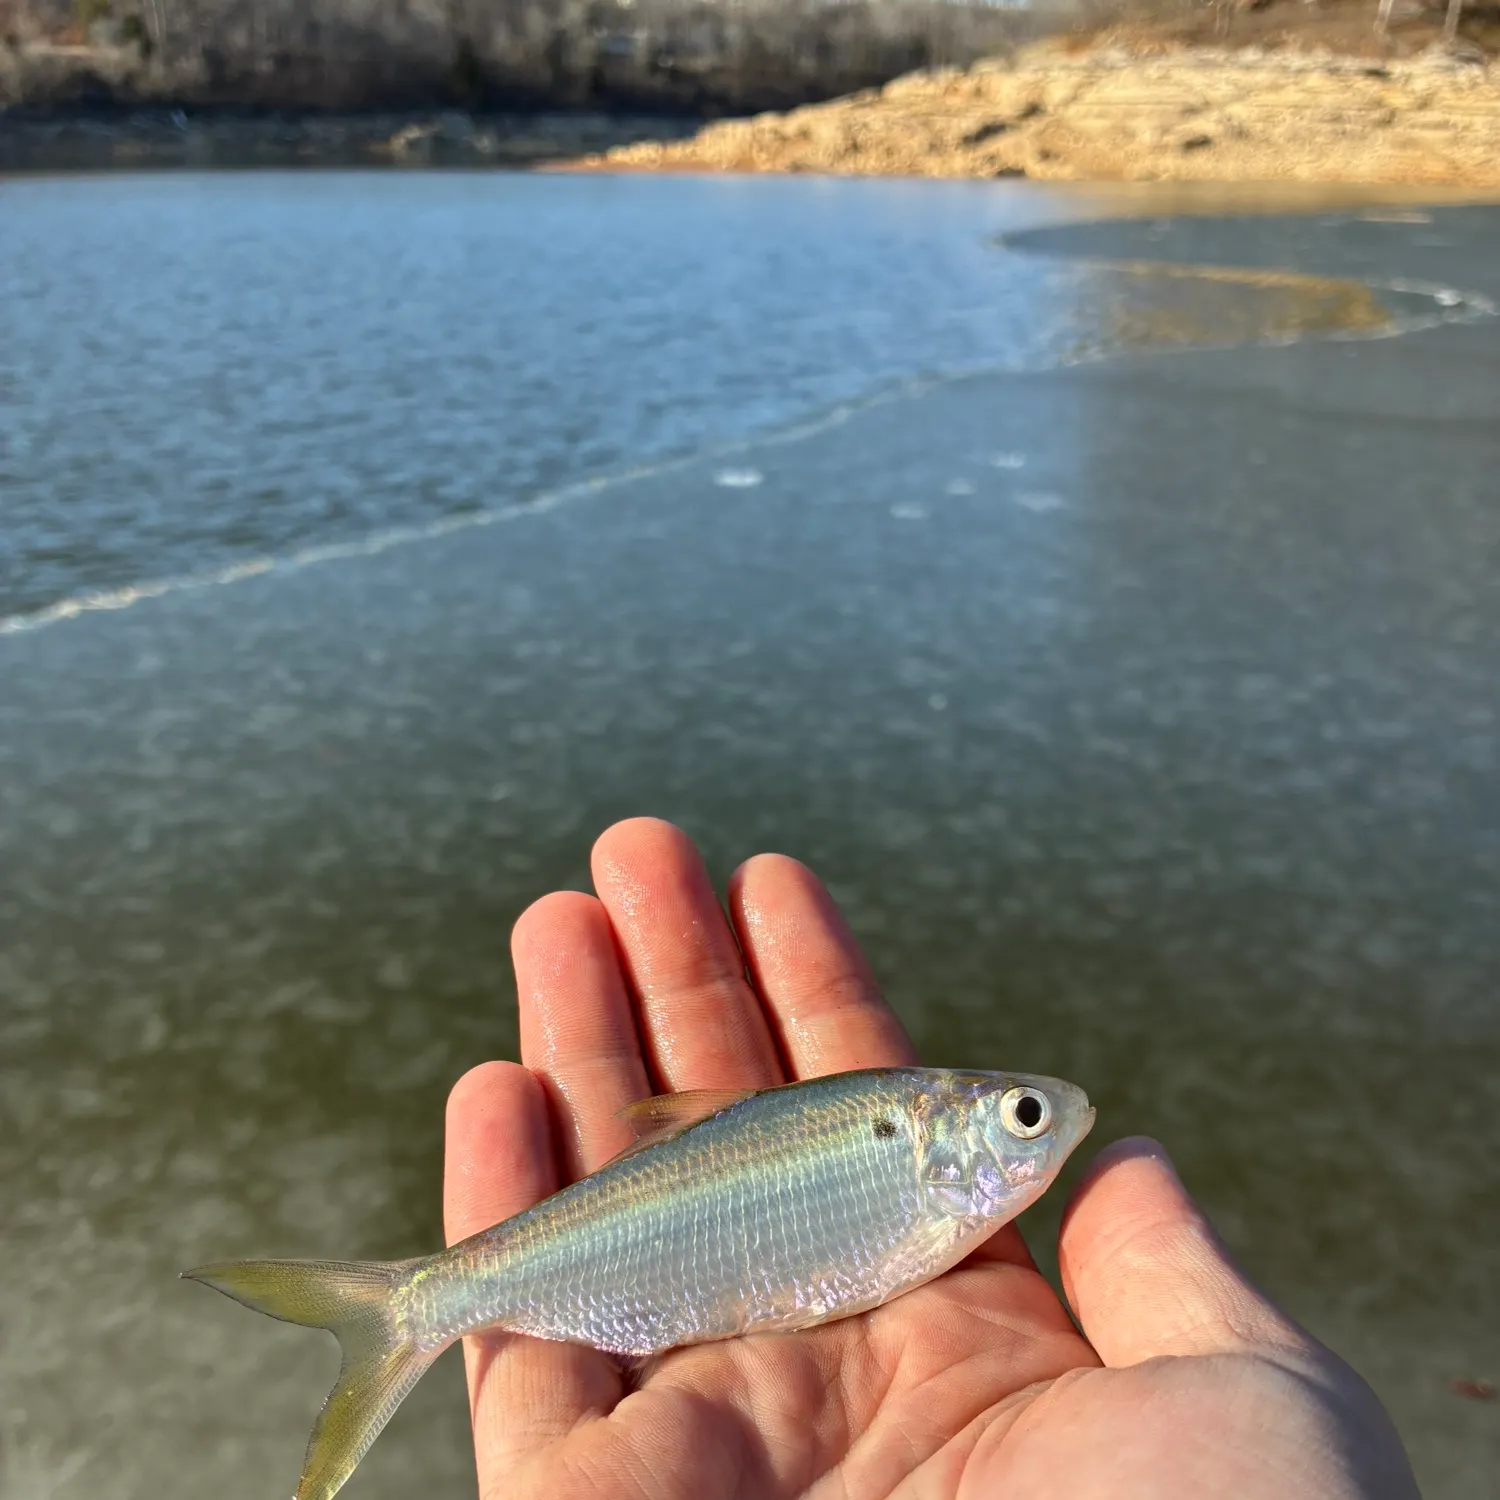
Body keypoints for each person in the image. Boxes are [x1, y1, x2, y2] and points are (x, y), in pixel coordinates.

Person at [443, 817, 1419, 1499]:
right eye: (1027, 1117)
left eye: (1028, 1114)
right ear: (951, 1139)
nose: (1053, 1120)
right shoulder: (913, 1151)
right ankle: (421, 1302)